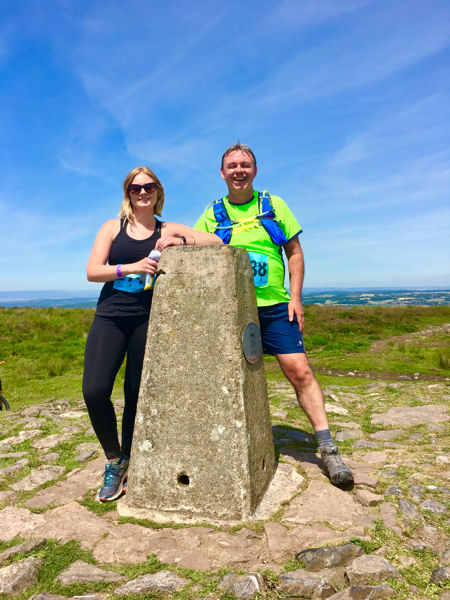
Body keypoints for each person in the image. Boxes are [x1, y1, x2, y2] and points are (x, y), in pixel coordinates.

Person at [194, 143, 353, 487]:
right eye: (232, 165)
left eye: (245, 165)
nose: (239, 170)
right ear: (222, 173)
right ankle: (221, 444)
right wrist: (170, 238)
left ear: (255, 170)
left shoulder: (274, 204)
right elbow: (196, 244)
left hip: (275, 306)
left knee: (299, 371)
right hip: (231, 309)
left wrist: (296, 298)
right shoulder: (212, 211)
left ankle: (326, 448)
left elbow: (294, 253)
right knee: (225, 378)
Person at [83, 166, 222, 502]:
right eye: (135, 188)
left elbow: (216, 241)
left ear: (158, 192)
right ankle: (114, 459)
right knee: (95, 390)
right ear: (127, 193)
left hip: (148, 319)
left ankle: (128, 461)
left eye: (148, 187)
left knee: (135, 392)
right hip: (111, 316)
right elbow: (92, 271)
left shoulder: (165, 226)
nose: (142, 192)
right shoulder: (112, 227)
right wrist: (132, 266)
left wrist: (179, 239)